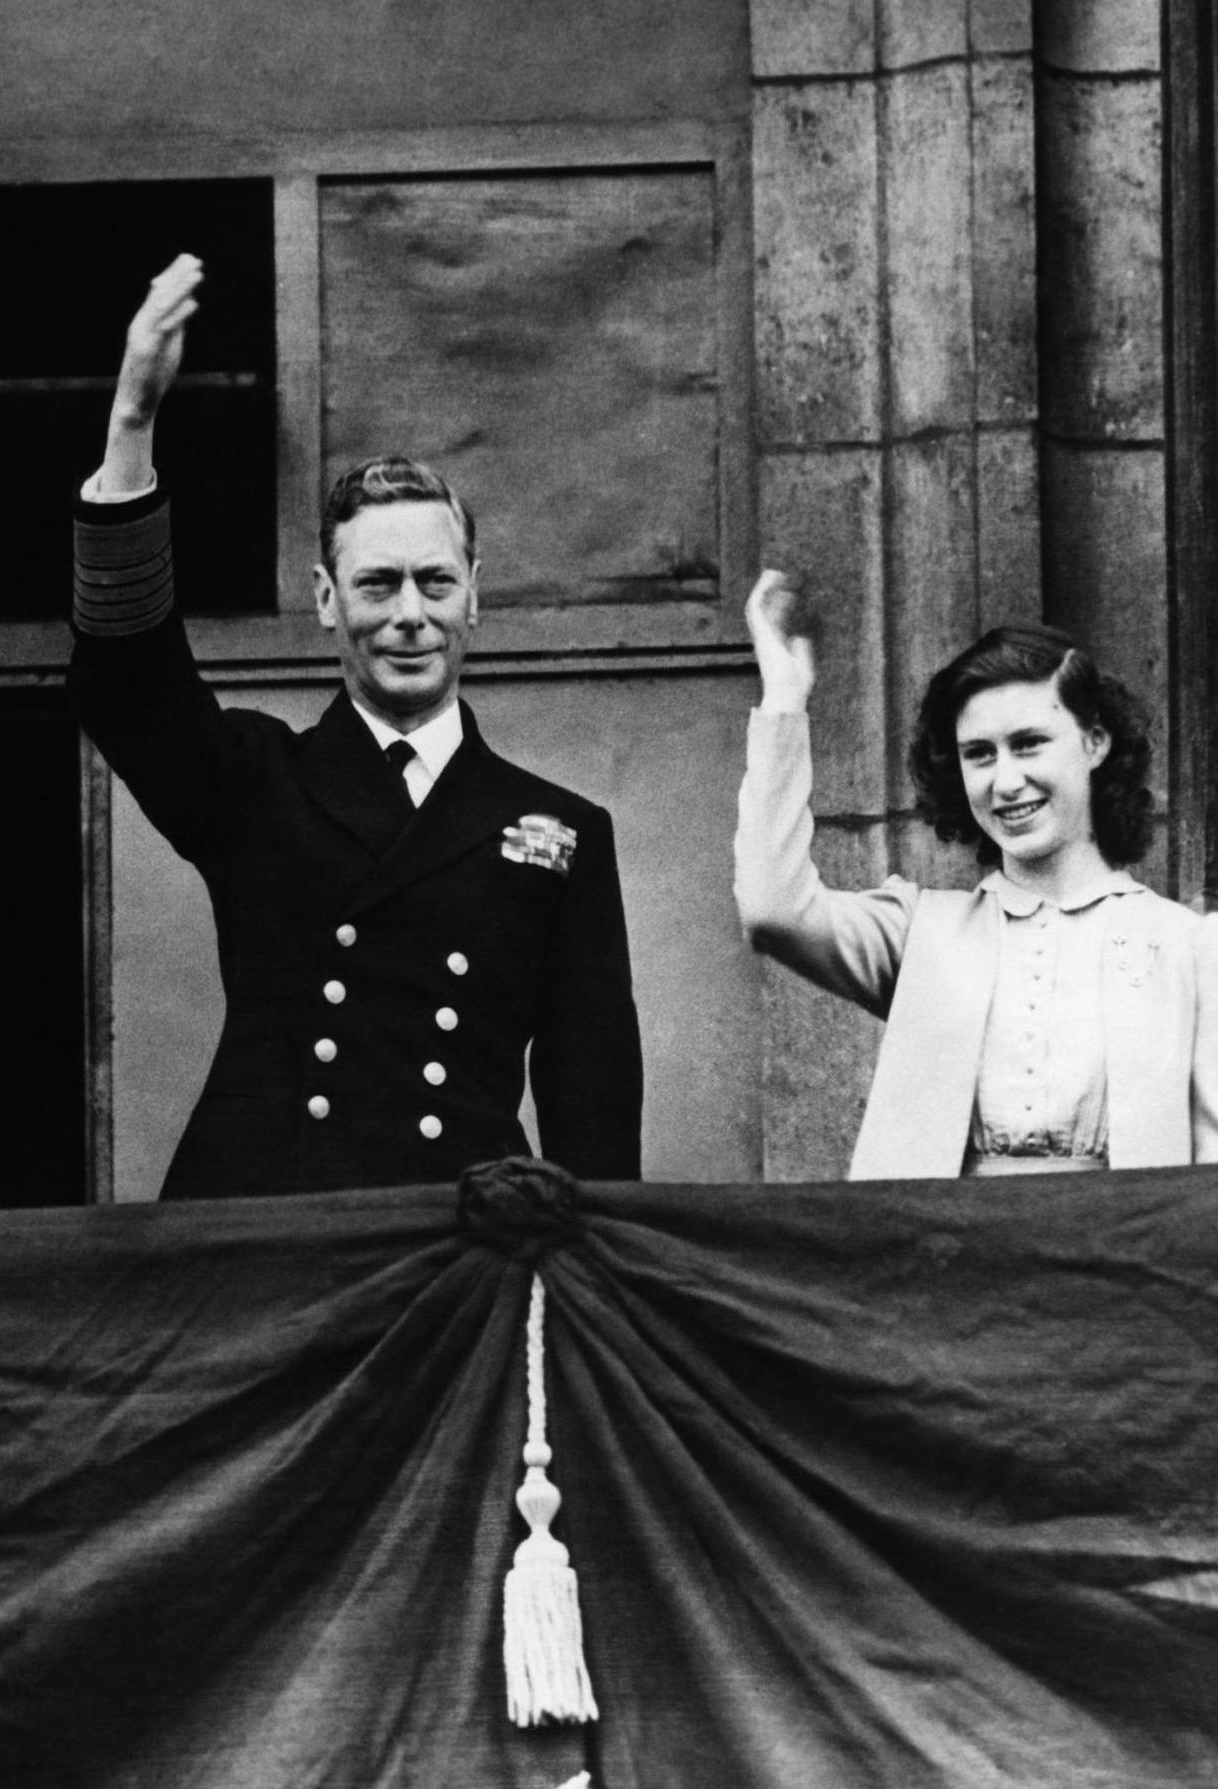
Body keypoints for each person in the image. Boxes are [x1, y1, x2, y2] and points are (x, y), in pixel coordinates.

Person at [70, 254, 643, 1197]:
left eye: (435, 582)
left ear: (474, 600)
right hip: (266, 1237)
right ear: (327, 600)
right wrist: (132, 421)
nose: (408, 613)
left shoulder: (562, 830)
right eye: (377, 584)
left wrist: (589, 1272)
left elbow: (593, 1102)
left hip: (457, 1247)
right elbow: (129, 686)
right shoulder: (255, 780)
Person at [735, 570, 1218, 1176]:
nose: (1006, 781)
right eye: (980, 754)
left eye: (1030, 743)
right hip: (949, 1263)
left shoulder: (1192, 947)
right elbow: (771, 910)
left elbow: (1208, 1191)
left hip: (1119, 1265)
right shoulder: (922, 933)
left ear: (1095, 743)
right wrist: (785, 695)